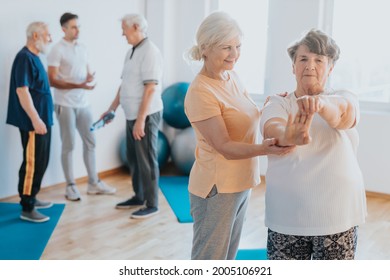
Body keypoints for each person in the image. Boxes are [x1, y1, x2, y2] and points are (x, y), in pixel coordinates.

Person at [184, 12, 293, 260]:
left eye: (238, 46)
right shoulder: (201, 91)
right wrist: (266, 149)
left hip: (240, 182)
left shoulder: (230, 76)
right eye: (226, 47)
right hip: (217, 187)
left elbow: (247, 114)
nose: (234, 54)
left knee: (228, 258)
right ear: (205, 48)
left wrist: (272, 103)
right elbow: (224, 146)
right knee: (209, 259)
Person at [260, 29, 367, 260]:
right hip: (286, 216)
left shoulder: (344, 95)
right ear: (293, 66)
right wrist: (291, 135)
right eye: (303, 59)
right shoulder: (278, 102)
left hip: (337, 216)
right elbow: (272, 129)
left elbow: (343, 115)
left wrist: (317, 104)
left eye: (319, 60)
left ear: (330, 68)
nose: (310, 65)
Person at [47, 13, 116, 201]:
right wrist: (79, 85)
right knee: (68, 145)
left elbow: (85, 73)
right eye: (73, 27)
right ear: (64, 29)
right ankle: (70, 186)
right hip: (64, 104)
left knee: (90, 142)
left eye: (78, 26)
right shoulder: (57, 50)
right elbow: (52, 80)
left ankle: (93, 183)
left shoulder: (83, 48)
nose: (77, 30)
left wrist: (88, 79)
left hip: (83, 103)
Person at [103, 13, 163, 219]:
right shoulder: (131, 52)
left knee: (146, 159)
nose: (122, 33)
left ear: (136, 27)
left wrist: (141, 120)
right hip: (131, 115)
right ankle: (139, 196)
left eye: (124, 29)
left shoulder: (151, 52)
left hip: (145, 115)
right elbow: (125, 84)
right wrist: (112, 108)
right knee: (134, 159)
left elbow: (150, 88)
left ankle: (152, 203)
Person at [6, 22, 54, 223]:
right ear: (36, 35)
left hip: (43, 121)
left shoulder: (35, 57)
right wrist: (35, 119)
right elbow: (22, 91)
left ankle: (33, 196)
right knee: (33, 163)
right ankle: (27, 206)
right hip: (33, 123)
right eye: (47, 35)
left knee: (42, 161)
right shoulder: (24, 58)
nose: (50, 39)